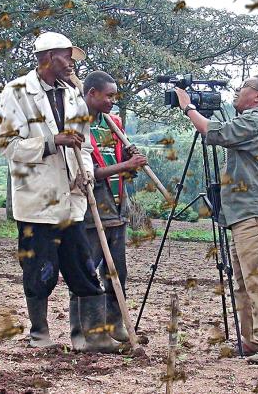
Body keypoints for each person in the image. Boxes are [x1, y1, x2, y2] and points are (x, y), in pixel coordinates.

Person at [0, 32, 123, 353]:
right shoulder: (16, 92)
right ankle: (39, 336)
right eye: (67, 56)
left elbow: (81, 143)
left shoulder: (73, 95)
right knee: (40, 272)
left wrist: (85, 177)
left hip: (72, 200)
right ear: (48, 57)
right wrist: (53, 142)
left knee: (83, 268)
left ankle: (92, 338)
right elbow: (9, 146)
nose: (71, 64)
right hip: (37, 201)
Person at [175, 75, 258, 365]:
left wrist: (188, 107)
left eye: (244, 88)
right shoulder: (252, 122)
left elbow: (212, 132)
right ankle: (251, 342)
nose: (237, 92)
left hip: (255, 211)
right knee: (242, 281)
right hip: (243, 212)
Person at [68, 71, 148, 350]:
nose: (113, 101)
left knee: (117, 272)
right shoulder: (78, 126)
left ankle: (115, 325)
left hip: (117, 205)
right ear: (91, 94)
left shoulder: (113, 125)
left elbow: (119, 165)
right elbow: (90, 173)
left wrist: (130, 160)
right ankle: (86, 332)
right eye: (109, 96)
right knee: (87, 272)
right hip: (92, 207)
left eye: (115, 96)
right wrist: (124, 166)